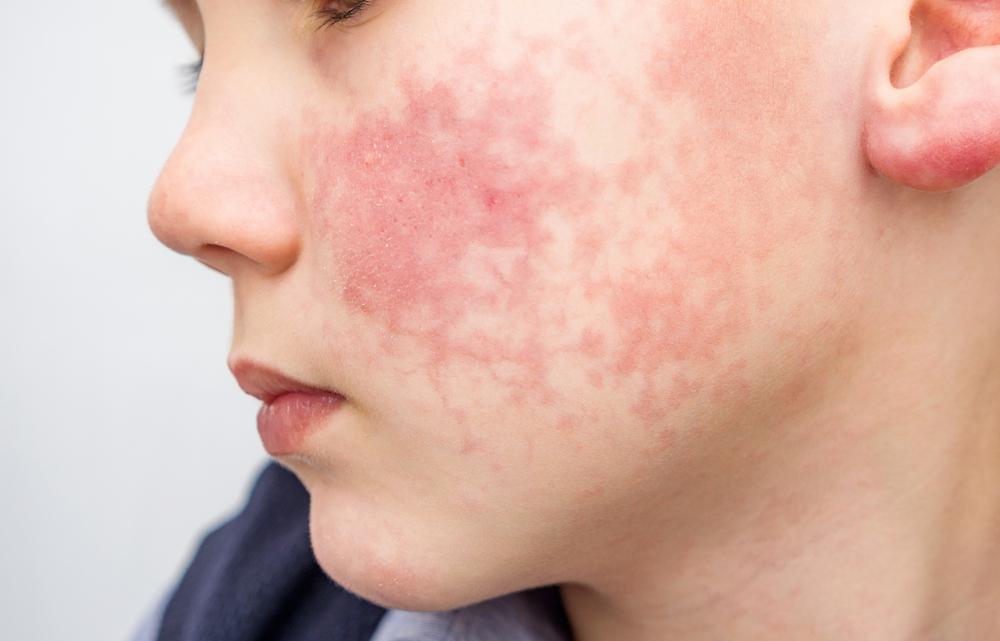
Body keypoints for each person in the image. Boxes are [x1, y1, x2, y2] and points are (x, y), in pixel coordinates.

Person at [136, 0, 1000, 639]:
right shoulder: (236, 607)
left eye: (345, 5)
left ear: (940, 36)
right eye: (199, 65)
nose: (184, 202)